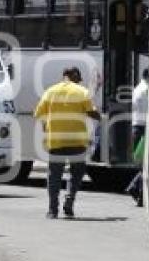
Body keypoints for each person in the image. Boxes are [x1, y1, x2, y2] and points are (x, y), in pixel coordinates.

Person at [34, 66, 101, 219]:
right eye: (78, 78)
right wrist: (100, 116)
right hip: (77, 141)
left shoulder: (50, 92)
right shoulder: (81, 92)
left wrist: (47, 125)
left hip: (56, 141)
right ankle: (69, 201)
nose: (79, 81)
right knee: (77, 173)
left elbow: (38, 114)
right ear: (74, 76)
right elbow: (92, 112)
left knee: (54, 176)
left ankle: (52, 210)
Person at [125, 68, 149, 207]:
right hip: (144, 128)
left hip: (138, 127)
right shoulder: (146, 90)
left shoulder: (138, 88)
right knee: (147, 164)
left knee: (144, 164)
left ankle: (138, 192)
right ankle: (135, 189)